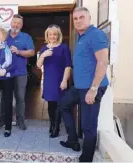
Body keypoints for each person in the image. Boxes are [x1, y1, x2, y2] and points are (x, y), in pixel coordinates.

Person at [59, 7, 109, 162]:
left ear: (89, 18)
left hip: (92, 87)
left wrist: (93, 89)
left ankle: (86, 158)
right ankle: (73, 140)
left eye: (81, 17)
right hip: (79, 87)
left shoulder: (95, 35)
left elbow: (103, 61)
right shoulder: (80, 37)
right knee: (64, 105)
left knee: (88, 125)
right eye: (75, 18)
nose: (78, 21)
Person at [0, 14, 35, 130]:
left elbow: (32, 52)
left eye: (18, 23)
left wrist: (19, 51)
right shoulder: (4, 35)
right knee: (4, 98)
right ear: (11, 23)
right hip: (5, 73)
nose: (16, 25)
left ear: (21, 25)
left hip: (20, 73)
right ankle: (2, 120)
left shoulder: (26, 37)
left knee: (20, 98)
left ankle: (20, 121)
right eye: (14, 22)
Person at [36, 24, 71, 138]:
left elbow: (68, 66)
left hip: (60, 79)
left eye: (55, 34)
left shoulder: (64, 47)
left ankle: (56, 128)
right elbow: (38, 65)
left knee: (59, 104)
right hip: (49, 80)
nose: (52, 36)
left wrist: (64, 80)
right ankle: (52, 124)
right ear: (47, 35)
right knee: (51, 103)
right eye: (50, 34)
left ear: (58, 35)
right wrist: (43, 55)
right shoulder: (44, 48)